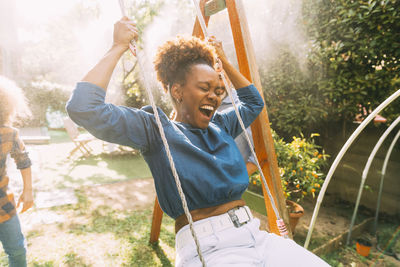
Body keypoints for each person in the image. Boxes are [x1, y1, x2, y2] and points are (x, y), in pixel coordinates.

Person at [66, 17, 328, 266]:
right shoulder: (156, 131)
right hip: (209, 248)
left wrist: (223, 62)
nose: (214, 97)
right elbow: (83, 107)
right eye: (204, 88)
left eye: (218, 90)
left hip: (255, 235)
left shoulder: (221, 125)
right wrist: (117, 47)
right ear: (177, 91)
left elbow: (253, 102)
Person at [0, 76, 34, 267]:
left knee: (18, 251)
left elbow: (23, 159)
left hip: (4, 204)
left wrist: (28, 190)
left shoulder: (8, 133)